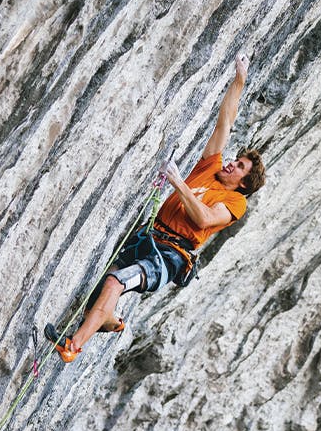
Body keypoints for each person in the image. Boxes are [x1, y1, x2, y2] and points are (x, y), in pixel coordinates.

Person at [46, 53, 267, 362]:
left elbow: (203, 219)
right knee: (100, 291)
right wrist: (239, 80)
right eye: (236, 160)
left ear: (244, 182)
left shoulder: (235, 202)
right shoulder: (211, 167)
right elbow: (225, 122)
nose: (231, 163)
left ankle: (72, 346)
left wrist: (179, 183)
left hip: (169, 257)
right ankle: (110, 321)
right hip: (148, 237)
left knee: (115, 282)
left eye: (239, 166)